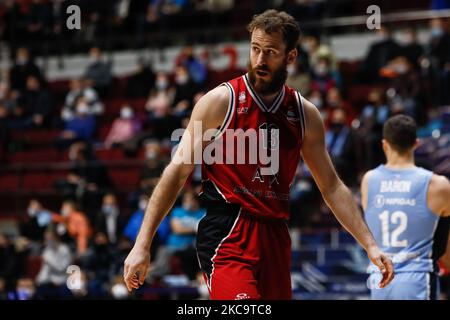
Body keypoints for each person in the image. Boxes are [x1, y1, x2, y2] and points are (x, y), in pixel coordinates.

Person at [124, 9, 394, 300]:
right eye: (255, 49)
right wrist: (142, 243)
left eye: (271, 52)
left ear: (290, 57)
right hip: (228, 232)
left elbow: (330, 185)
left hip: (275, 235)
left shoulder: (304, 114)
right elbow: (176, 172)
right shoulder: (219, 102)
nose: (260, 60)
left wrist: (370, 245)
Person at [361, 115, 450, 300]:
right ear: (416, 144)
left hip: (380, 281)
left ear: (385, 144)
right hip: (417, 279)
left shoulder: (368, 181)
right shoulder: (438, 185)